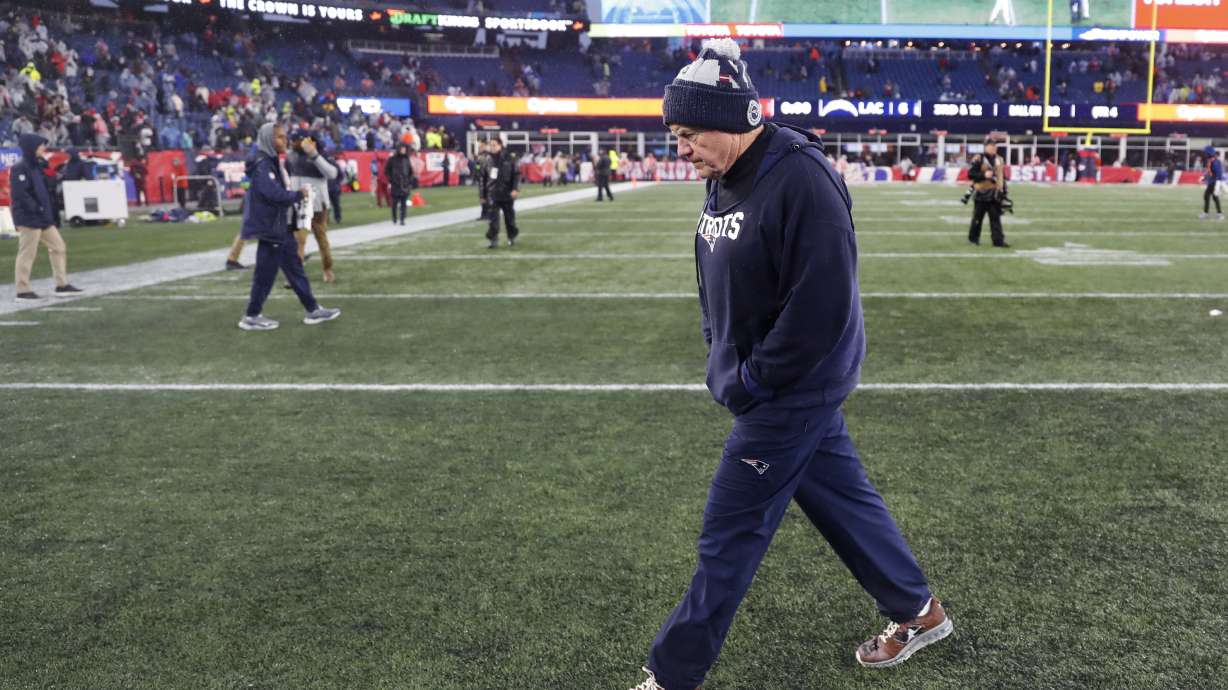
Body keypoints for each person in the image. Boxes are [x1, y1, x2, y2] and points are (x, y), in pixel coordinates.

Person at [629, 39, 949, 690]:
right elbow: (715, 269)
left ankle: (669, 676)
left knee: (729, 535)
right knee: (844, 503)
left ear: (733, 121)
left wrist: (752, 379)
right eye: (674, 134)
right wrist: (716, 343)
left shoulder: (801, 177)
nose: (680, 149)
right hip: (765, 383)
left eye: (688, 133)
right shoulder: (724, 174)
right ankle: (918, 612)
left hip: (790, 390)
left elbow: (822, 308)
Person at [237, 123, 340, 331]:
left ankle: (312, 309)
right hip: (270, 226)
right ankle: (251, 315)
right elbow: (271, 194)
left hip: (278, 226)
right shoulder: (262, 164)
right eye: (280, 138)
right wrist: (296, 195)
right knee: (265, 275)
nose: (285, 141)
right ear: (268, 139)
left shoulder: (270, 161)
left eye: (285, 137)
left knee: (295, 269)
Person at [11, 134, 84, 300]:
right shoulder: (19, 168)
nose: (43, 148)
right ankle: (22, 290)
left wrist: (47, 172)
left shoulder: (37, 166)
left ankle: (62, 284)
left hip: (43, 217)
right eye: (40, 145)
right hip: (29, 217)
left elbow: (47, 188)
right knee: (27, 253)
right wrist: (37, 208)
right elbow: (20, 194)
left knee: (58, 247)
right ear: (31, 147)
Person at [286, 130, 339, 283]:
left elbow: (332, 174)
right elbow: (291, 177)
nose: (292, 143)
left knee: (321, 239)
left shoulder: (321, 153)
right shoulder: (291, 156)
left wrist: (315, 155)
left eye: (295, 140)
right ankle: (295, 275)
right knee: (298, 240)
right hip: (299, 205)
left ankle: (327, 269)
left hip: (317, 206)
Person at [967, 139, 1010, 247]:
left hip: (995, 194)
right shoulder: (979, 158)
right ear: (985, 147)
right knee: (977, 219)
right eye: (991, 146)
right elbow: (971, 174)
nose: (993, 148)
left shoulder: (1000, 159)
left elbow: (1002, 177)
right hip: (981, 193)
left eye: (994, 146)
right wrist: (984, 175)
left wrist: (1004, 193)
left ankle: (998, 241)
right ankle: (973, 239)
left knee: (996, 220)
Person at [479, 137, 520, 249]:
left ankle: (511, 237)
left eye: (494, 145)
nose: (492, 147)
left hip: (507, 193)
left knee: (510, 219)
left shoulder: (509, 158)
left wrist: (515, 189)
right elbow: (482, 178)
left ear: (500, 145)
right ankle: (493, 240)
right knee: (493, 220)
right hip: (492, 194)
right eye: (491, 145)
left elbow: (516, 174)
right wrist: (482, 195)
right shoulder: (486, 159)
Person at [385, 143, 416, 225]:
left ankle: (402, 219)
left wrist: (409, 180)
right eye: (402, 149)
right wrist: (391, 179)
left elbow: (410, 171)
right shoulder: (392, 159)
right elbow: (387, 171)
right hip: (395, 184)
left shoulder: (406, 159)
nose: (403, 150)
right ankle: (394, 218)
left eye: (404, 149)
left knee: (403, 203)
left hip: (404, 184)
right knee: (394, 203)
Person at [1201, 145, 1224, 221]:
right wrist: (1204, 177)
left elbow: (1218, 174)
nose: (1204, 154)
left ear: (1209, 153)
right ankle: (1216, 214)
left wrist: (1217, 185)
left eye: (1206, 153)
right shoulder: (1210, 160)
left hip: (1215, 182)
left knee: (1210, 196)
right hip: (1212, 181)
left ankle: (1210, 214)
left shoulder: (1216, 161)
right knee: (1211, 197)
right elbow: (1209, 172)